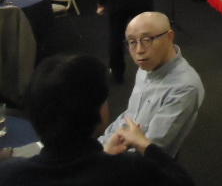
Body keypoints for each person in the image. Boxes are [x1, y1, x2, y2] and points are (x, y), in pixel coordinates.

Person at [0, 54, 194, 186]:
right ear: (98, 112)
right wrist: (145, 145)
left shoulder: (10, 174)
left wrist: (103, 155)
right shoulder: (131, 170)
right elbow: (182, 181)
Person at [99, 12, 204, 159]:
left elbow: (150, 150)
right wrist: (101, 144)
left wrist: (102, 158)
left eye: (147, 40)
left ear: (170, 37)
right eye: (132, 42)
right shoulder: (147, 66)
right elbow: (130, 115)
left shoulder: (185, 87)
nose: (139, 50)